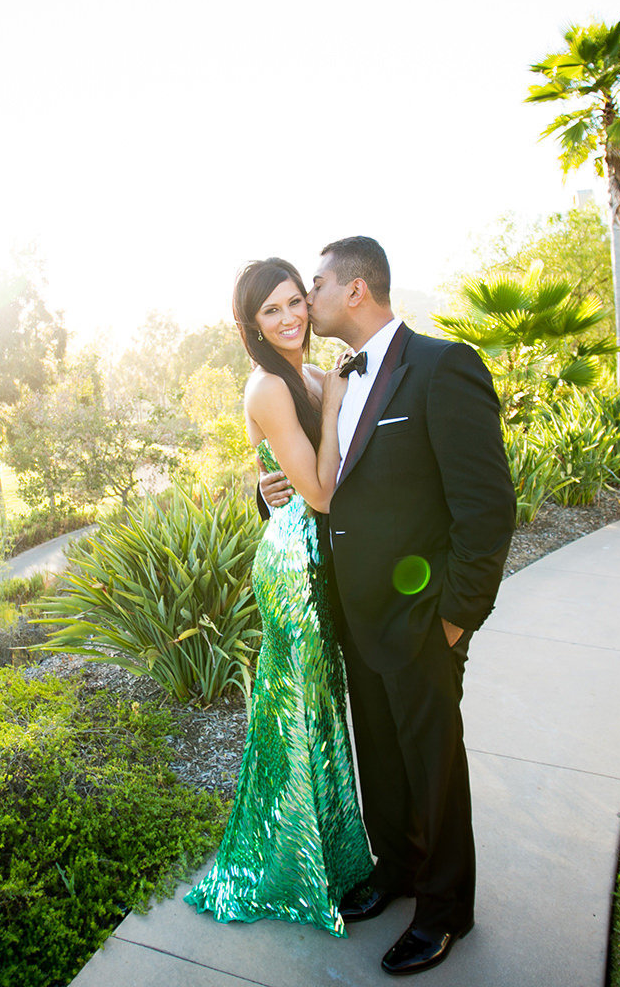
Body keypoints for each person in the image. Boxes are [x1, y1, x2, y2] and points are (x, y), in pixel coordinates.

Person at [261, 237, 515, 975]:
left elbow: (488, 505)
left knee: (433, 766)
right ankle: (396, 871)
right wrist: (267, 493)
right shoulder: (329, 380)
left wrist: (455, 616)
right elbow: (323, 486)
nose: (305, 302)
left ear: (357, 291)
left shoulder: (443, 367)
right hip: (356, 614)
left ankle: (443, 912)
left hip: (422, 617)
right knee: (382, 755)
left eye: (314, 286)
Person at [183, 257, 374, 937]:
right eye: (272, 310)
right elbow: (317, 493)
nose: (290, 316)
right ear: (253, 325)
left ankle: (338, 857)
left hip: (326, 556)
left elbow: (308, 471)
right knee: (297, 709)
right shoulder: (269, 385)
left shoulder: (316, 374)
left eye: (295, 301)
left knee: (323, 712)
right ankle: (295, 865)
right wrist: (331, 412)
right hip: (294, 566)